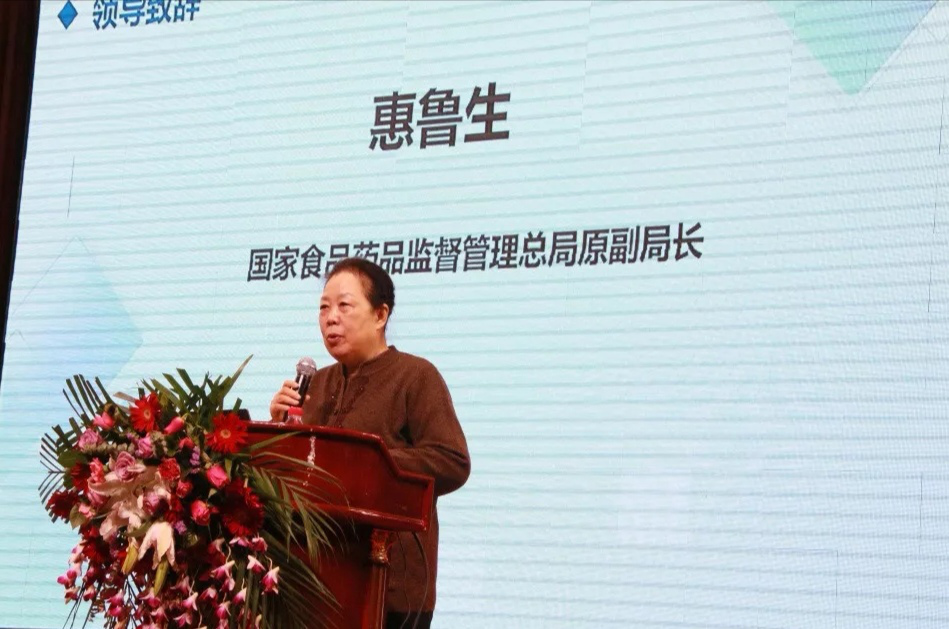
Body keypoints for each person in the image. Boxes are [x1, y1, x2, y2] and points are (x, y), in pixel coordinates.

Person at [269, 257, 470, 629]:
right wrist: (279, 429)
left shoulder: (415, 376)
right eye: (324, 308)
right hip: (314, 581)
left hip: (389, 586)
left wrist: (370, 463)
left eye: (344, 306)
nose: (330, 318)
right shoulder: (315, 384)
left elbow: (452, 461)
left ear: (380, 315)